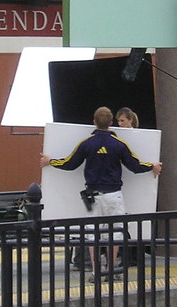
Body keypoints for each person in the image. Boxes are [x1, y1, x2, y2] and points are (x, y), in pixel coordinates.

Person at [40, 107, 162, 282]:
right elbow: (135, 165)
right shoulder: (119, 144)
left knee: (92, 234)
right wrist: (153, 166)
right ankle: (110, 270)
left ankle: (96, 272)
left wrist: (49, 161)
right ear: (111, 123)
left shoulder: (87, 143)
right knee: (116, 233)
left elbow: (70, 163)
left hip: (93, 196)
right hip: (114, 195)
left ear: (94, 122)